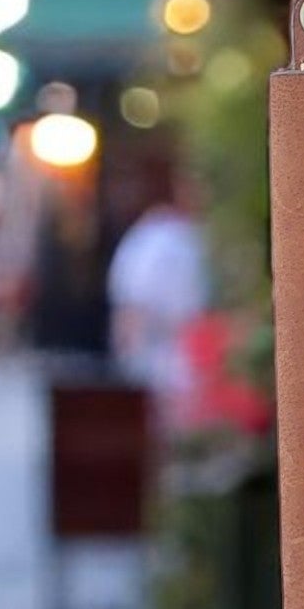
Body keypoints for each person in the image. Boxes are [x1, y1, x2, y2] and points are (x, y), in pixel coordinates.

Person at [106, 162, 208, 431]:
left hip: (193, 361)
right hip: (160, 364)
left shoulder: (196, 237)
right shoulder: (157, 239)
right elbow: (131, 306)